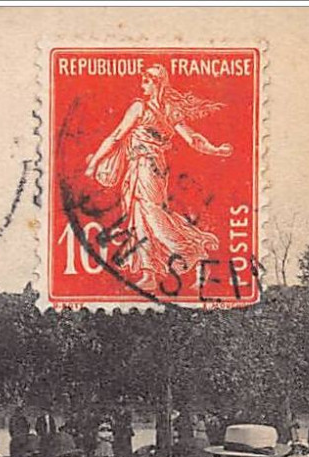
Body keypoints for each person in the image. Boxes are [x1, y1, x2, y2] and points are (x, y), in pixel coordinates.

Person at [82, 63, 233, 291]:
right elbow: (118, 137)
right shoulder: (162, 110)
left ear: (158, 83)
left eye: (147, 79)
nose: (143, 83)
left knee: (152, 215)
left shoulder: (144, 108)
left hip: (147, 167)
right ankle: (148, 272)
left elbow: (117, 137)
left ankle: (192, 252)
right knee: (138, 218)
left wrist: (215, 150)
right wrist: (215, 150)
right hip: (141, 168)